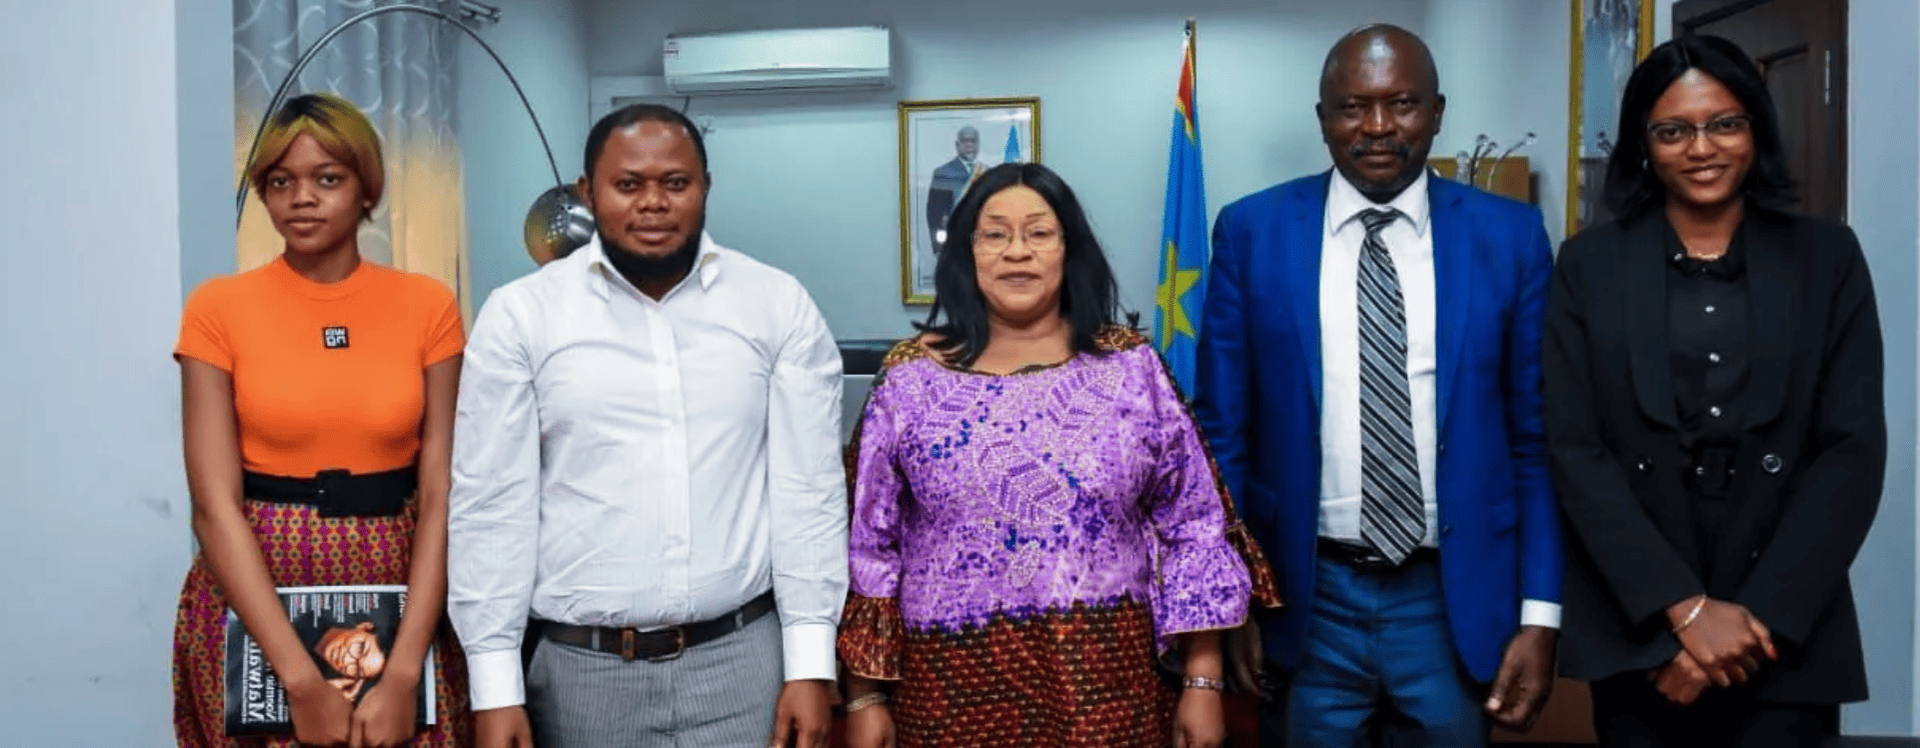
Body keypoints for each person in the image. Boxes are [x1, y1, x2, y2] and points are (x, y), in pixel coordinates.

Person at [1194, 24, 1562, 746]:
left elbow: (1536, 438)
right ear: (1323, 118)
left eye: (1402, 104)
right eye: (1352, 107)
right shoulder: (1252, 231)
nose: (1378, 127)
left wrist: (1541, 614)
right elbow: (1221, 436)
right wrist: (1225, 600)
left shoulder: (1511, 237)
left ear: (1438, 110)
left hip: (1453, 596)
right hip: (1303, 597)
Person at [838, 161, 1281, 748]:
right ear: (966, 252)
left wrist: (1203, 680)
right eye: (995, 234)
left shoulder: (1131, 369)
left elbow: (1193, 527)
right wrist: (866, 695)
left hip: (1106, 687)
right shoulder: (907, 379)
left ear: (1068, 249)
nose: (1016, 251)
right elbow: (871, 546)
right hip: (946, 691)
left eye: (1039, 233)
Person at [447, 103, 847, 748]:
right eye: (628, 184)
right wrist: (495, 687)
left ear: (706, 187)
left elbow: (810, 495)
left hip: (743, 663)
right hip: (583, 674)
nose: (652, 203)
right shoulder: (522, 316)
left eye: (676, 183)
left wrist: (808, 663)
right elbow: (491, 506)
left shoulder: (775, 303)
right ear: (587, 193)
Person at [1546, 34, 1884, 747]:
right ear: (1644, 145)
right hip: (1642, 624)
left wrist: (1751, 624)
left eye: (1725, 123)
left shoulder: (1829, 258)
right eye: (1673, 131)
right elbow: (1576, 449)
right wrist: (1684, 613)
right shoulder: (1588, 265)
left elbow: (1850, 452)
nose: (1702, 148)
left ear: (1756, 129)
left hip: (1786, 622)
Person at [171, 92, 472, 748]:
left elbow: (444, 490)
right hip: (256, 590)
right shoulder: (218, 308)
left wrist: (399, 673)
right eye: (281, 182)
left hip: (401, 583)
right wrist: (301, 680)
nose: (301, 198)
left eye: (326, 178)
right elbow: (212, 505)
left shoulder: (427, 306)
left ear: (368, 189)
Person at [925, 125, 982, 257]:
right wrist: (939, 247)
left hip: (980, 240)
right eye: (965, 141)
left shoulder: (985, 173)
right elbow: (934, 214)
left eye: (972, 141)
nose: (969, 144)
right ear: (957, 145)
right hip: (954, 240)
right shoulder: (943, 172)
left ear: (977, 145)